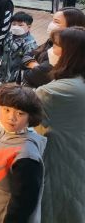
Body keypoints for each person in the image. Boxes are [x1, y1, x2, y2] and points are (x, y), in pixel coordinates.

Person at [0, 84, 46, 223]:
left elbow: (24, 201)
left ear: (30, 116)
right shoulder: (0, 131)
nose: (11, 118)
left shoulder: (26, 155)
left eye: (20, 113)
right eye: (6, 110)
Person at [35, 26, 85, 222]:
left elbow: (21, 116)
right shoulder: (78, 81)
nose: (51, 49)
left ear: (70, 53)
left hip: (58, 161)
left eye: (55, 45)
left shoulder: (55, 92)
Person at [21, 7, 85, 88]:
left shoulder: (67, 53)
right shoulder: (51, 41)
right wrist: (36, 66)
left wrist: (31, 68)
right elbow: (27, 55)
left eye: (57, 22)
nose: (51, 24)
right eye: (52, 20)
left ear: (72, 27)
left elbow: (31, 76)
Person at [0, 12, 37, 84]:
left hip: (17, 81)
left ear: (28, 27)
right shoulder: (8, 36)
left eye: (20, 25)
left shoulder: (30, 43)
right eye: (14, 24)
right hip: (4, 76)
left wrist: (21, 79)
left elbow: (29, 65)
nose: (16, 27)